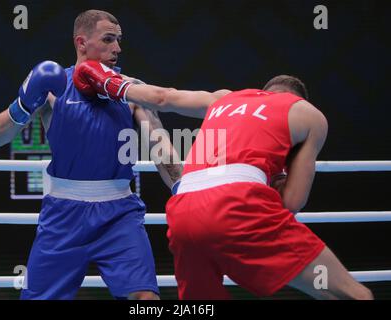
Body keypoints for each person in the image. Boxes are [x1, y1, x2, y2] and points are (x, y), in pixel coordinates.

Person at [74, 64, 374, 300]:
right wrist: (278, 176)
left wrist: (109, 82)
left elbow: (163, 98)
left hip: (182, 212)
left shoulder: (224, 98)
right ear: (296, 99)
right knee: (356, 294)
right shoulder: (309, 115)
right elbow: (292, 203)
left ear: (263, 91)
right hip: (238, 206)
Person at [0, 10, 182, 300]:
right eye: (108, 39)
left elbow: (161, 149)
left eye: (118, 40)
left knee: (145, 300)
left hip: (119, 213)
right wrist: (24, 102)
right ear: (81, 43)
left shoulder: (132, 90)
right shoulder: (53, 88)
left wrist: (184, 192)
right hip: (63, 214)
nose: (117, 48)